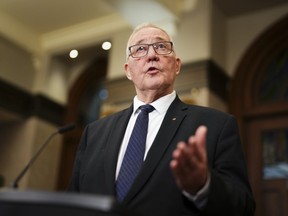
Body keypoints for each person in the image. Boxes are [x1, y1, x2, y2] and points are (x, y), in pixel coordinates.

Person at [68, 23, 255, 215]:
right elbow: (73, 204)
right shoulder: (94, 132)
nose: (151, 55)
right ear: (128, 70)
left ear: (177, 65)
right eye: (140, 49)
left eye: (161, 47)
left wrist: (204, 185)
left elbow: (243, 207)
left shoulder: (216, 125)